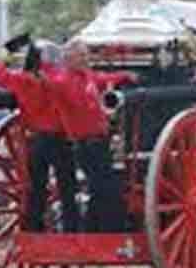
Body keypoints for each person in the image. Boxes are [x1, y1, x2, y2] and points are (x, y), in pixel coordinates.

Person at [0, 35, 81, 232]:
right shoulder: (61, 78)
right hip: (60, 139)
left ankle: (33, 231)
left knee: (36, 188)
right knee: (67, 187)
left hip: (35, 140)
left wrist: (7, 51)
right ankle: (72, 229)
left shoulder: (23, 80)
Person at [46, 40, 138, 232]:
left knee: (103, 185)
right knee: (104, 186)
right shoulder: (61, 82)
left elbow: (102, 79)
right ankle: (101, 229)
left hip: (98, 140)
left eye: (85, 55)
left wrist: (125, 76)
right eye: (81, 56)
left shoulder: (86, 76)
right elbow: (49, 84)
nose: (85, 59)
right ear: (68, 59)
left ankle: (97, 228)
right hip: (86, 143)